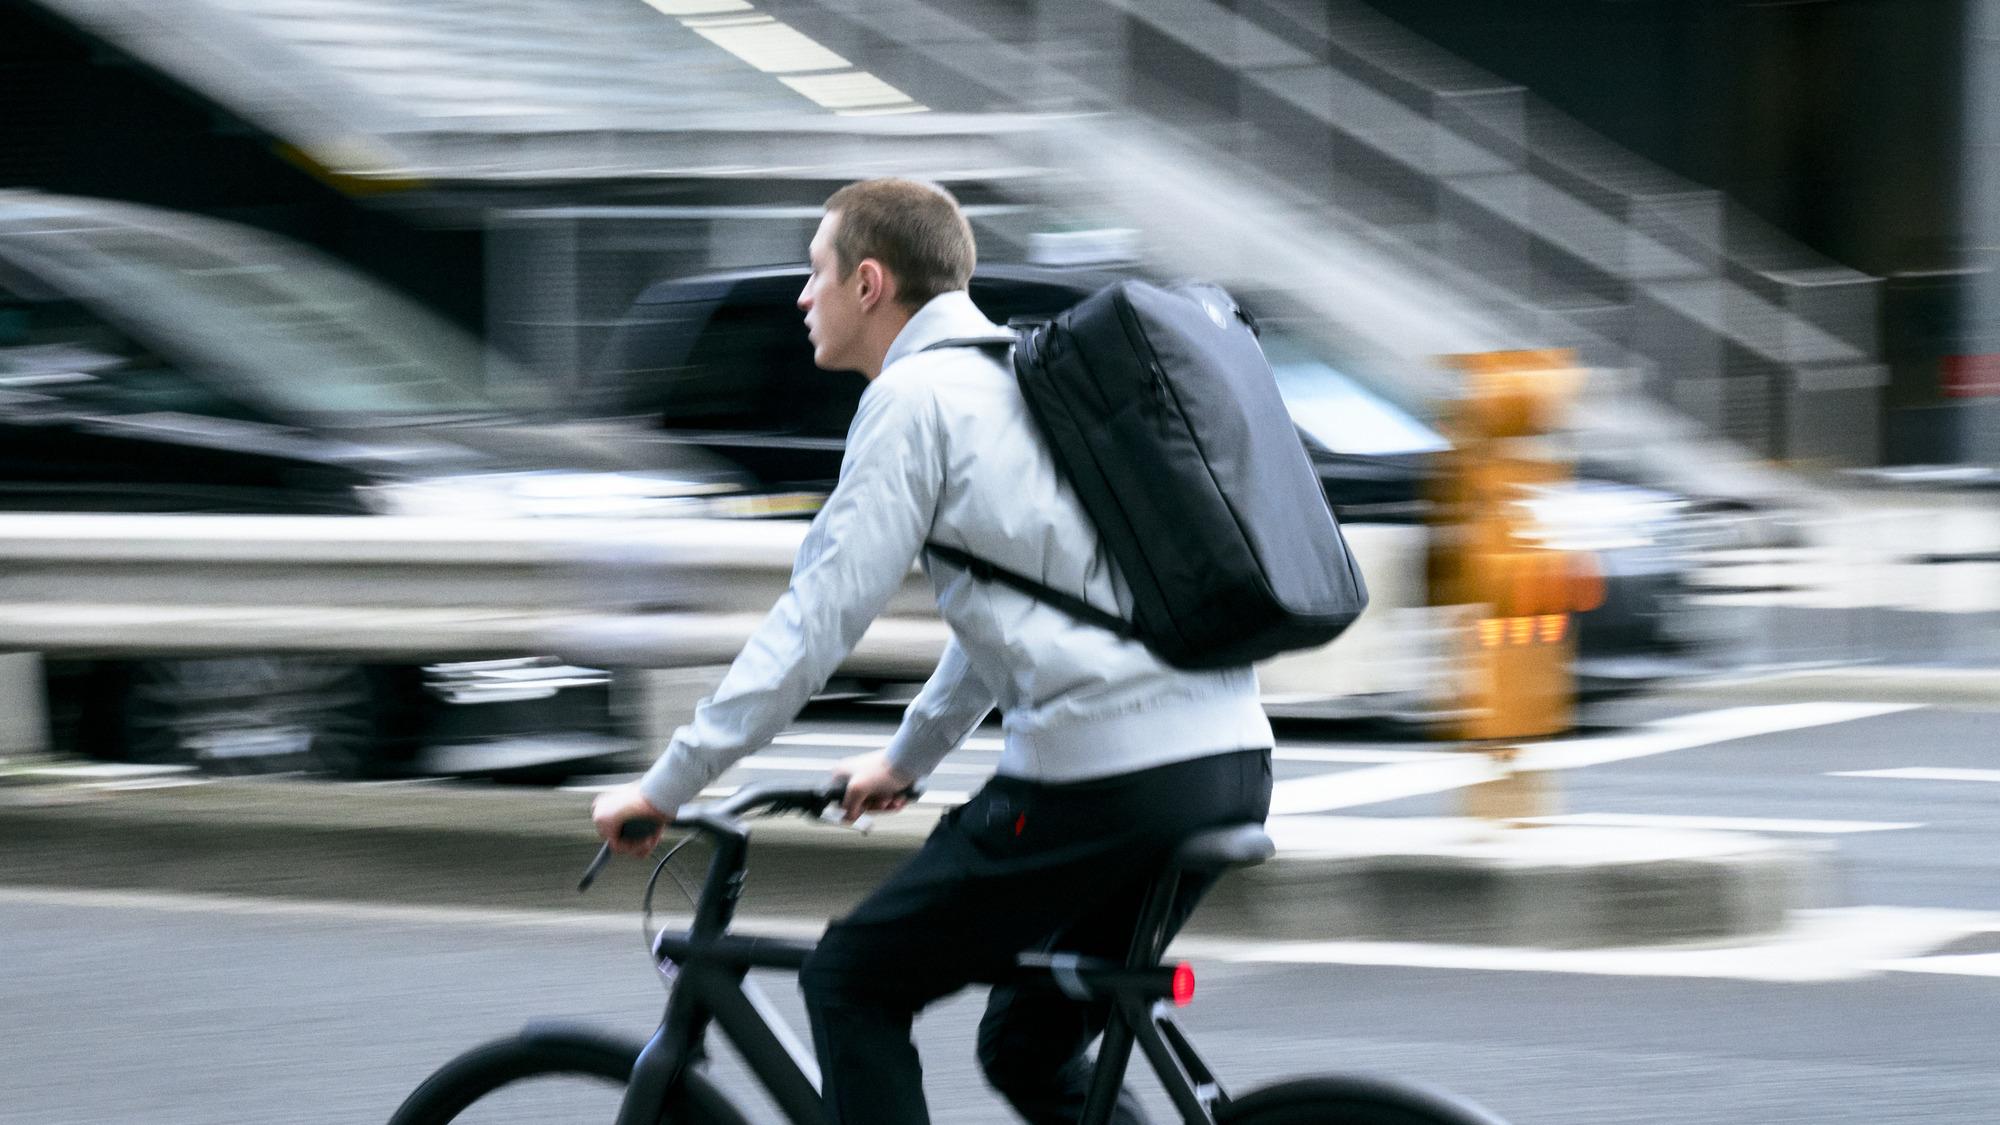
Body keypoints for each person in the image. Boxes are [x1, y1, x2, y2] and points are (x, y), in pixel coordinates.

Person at [590, 177, 1274, 1125]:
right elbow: (1022, 611)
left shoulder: (913, 400)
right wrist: (907, 758)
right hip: (1227, 759)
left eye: (815, 270)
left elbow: (813, 626)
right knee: (1027, 1044)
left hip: (1104, 780)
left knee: (852, 981)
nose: (802, 295)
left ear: (868, 283)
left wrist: (664, 786)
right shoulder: (1032, 375)